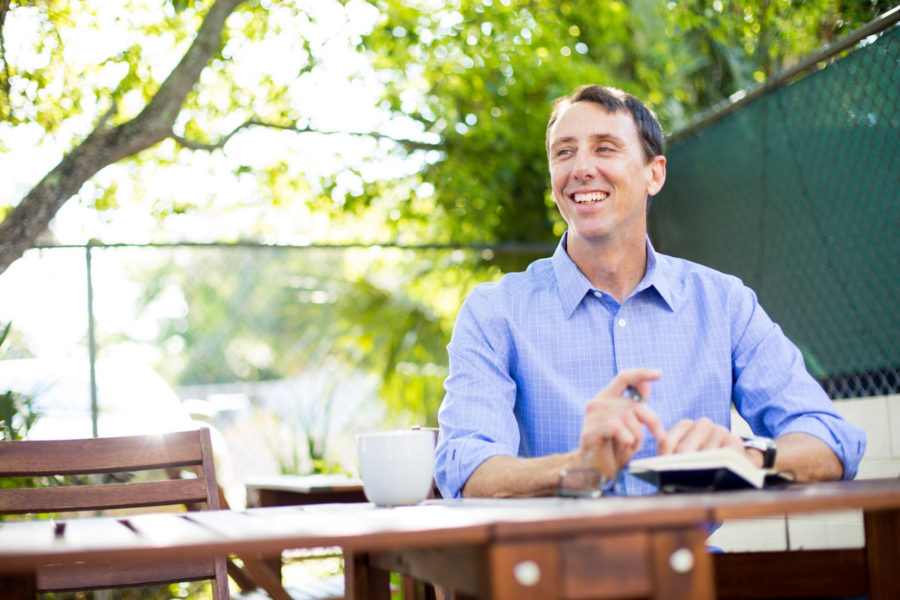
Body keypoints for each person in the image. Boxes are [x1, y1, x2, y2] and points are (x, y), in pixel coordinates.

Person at [434, 84, 866, 499]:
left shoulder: (723, 303)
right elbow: (465, 467)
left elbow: (832, 440)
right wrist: (579, 470)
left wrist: (749, 456)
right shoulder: (495, 312)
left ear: (653, 174)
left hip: (693, 564)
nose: (581, 167)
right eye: (564, 152)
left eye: (605, 147)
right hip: (549, 570)